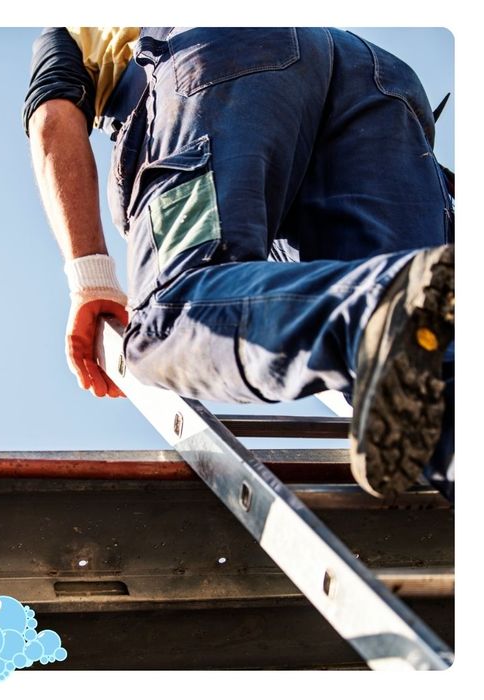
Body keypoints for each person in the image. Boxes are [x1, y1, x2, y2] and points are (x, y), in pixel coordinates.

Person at [23, 27, 454, 500]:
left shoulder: (71, 26)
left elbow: (53, 117)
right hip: (372, 79)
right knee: (428, 375)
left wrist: (90, 279)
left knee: (170, 318)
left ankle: (372, 307)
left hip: (220, 57)